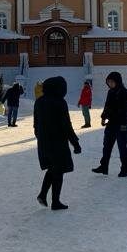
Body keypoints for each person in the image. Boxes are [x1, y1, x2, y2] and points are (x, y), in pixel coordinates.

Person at [34, 76, 82, 210]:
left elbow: (35, 125)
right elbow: (66, 125)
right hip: (58, 143)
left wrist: (41, 138)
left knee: (52, 168)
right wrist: (75, 143)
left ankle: (43, 195)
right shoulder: (60, 102)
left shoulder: (39, 102)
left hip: (43, 143)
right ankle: (55, 201)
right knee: (58, 170)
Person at [93, 71, 127, 177]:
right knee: (106, 146)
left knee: (122, 147)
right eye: (108, 82)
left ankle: (125, 170)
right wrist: (103, 117)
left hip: (121, 125)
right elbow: (107, 106)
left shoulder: (126, 94)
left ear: (117, 81)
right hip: (111, 124)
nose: (110, 84)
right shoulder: (110, 92)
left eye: (112, 82)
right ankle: (104, 167)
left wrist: (124, 122)